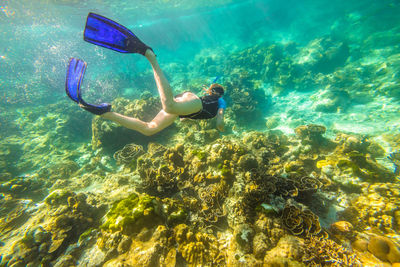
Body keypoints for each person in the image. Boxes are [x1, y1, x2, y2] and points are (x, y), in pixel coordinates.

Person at [65, 13, 226, 136]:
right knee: (169, 106)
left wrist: (185, 116)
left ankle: (105, 113)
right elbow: (219, 119)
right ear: (219, 94)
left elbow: (186, 114)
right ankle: (150, 56)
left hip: (189, 104)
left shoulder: (213, 97)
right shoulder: (221, 102)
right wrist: (221, 127)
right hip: (195, 104)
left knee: (149, 129)